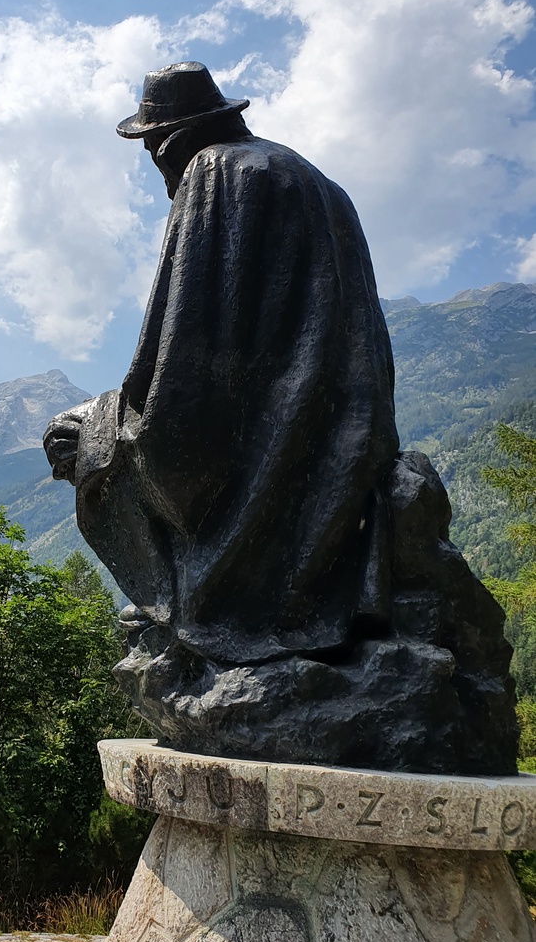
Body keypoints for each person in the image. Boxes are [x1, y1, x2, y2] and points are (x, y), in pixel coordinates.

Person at [44, 62, 517, 774]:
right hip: (340, 447)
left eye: (151, 148)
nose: (155, 167)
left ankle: (220, 625)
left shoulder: (213, 174)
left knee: (80, 446)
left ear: (171, 139)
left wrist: (103, 429)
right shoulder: (319, 184)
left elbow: (185, 360)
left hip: (262, 453)